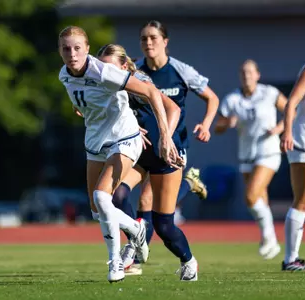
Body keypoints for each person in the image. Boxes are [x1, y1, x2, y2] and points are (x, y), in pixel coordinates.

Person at [58, 25, 182, 283]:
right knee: (96, 211)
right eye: (66, 48)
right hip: (95, 143)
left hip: (124, 140)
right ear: (60, 51)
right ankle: (137, 228)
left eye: (77, 48)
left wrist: (165, 136)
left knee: (103, 199)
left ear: (88, 49)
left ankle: (116, 263)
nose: (72, 53)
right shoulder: (64, 75)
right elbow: (84, 98)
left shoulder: (104, 71)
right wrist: (81, 107)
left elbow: (150, 92)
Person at [98, 44, 209, 279]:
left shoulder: (139, 81)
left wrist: (165, 139)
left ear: (124, 66)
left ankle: (189, 262)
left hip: (163, 152)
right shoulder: (103, 84)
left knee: (164, 226)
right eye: (101, 67)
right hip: (137, 152)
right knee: (115, 195)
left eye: (109, 68)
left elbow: (174, 109)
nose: (104, 73)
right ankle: (133, 242)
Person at [215, 59, 287, 260]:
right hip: (246, 154)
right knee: (258, 200)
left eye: (250, 72)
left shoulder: (269, 93)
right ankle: (270, 240)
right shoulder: (232, 99)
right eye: (243, 73)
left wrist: (279, 129)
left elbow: (291, 110)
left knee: (251, 195)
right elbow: (218, 128)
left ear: (258, 75)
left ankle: (270, 239)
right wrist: (227, 123)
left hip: (269, 151)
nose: (247, 76)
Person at [280, 61, 305, 271]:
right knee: (303, 200)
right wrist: (287, 132)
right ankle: (290, 259)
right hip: (303, 141)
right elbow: (291, 103)